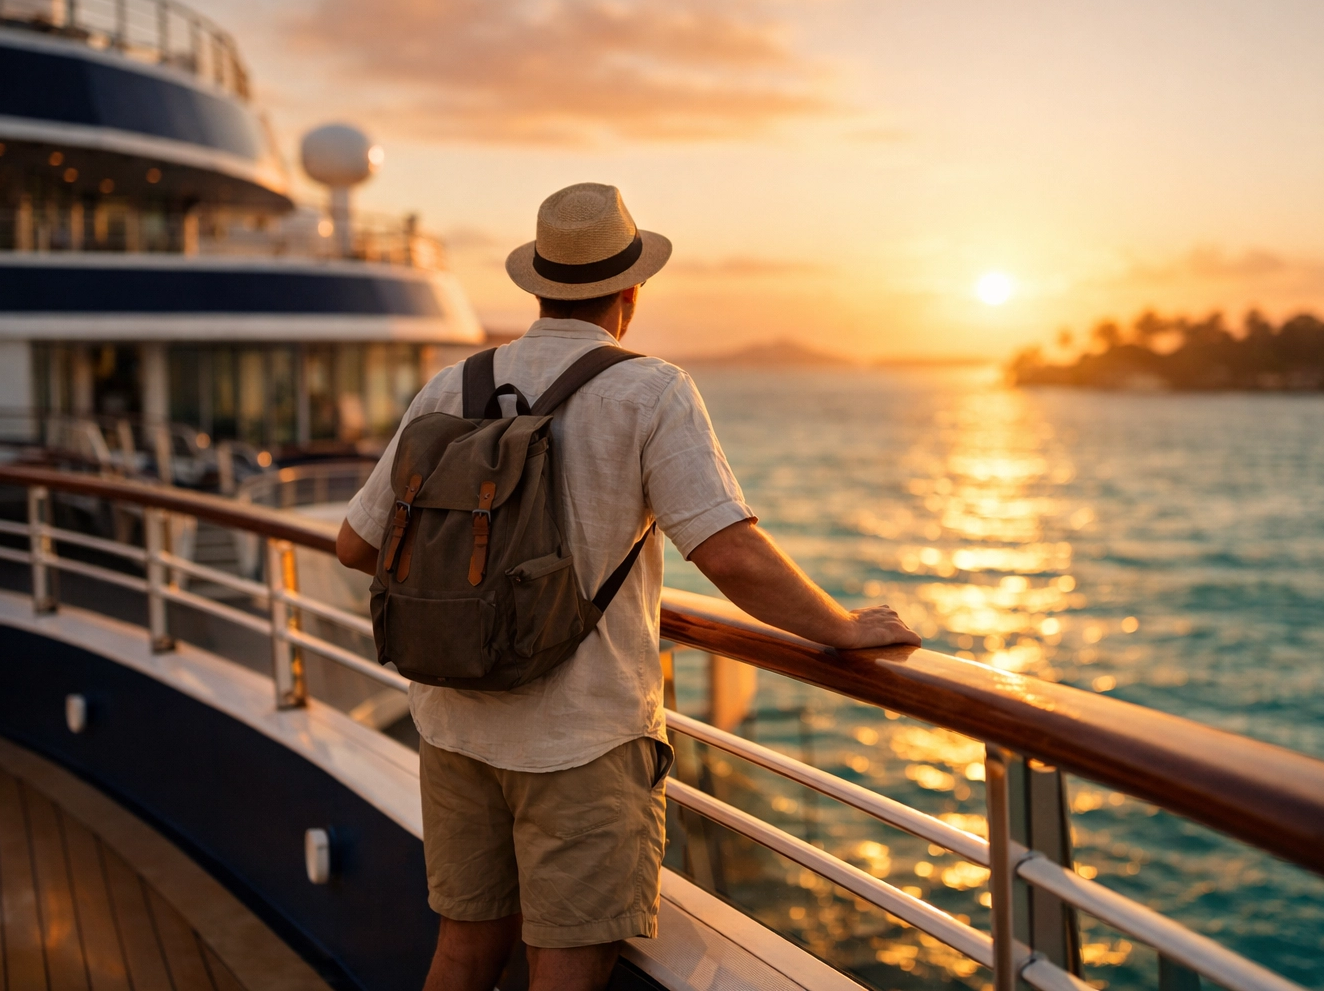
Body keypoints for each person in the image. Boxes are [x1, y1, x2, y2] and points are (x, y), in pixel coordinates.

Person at [336, 182, 919, 991]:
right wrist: (843, 629)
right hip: (583, 740)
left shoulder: (451, 387)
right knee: (566, 973)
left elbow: (354, 544)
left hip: (453, 724)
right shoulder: (649, 390)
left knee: (464, 952)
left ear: (537, 285)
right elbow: (730, 554)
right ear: (630, 292)